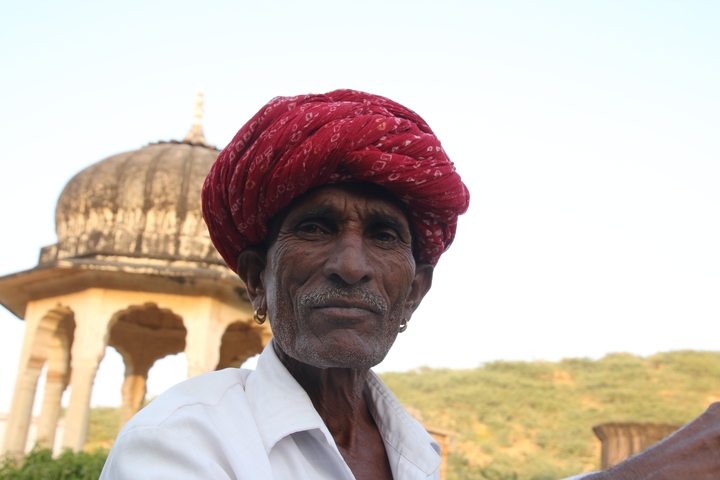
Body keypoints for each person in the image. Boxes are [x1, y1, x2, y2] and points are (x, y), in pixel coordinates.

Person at [100, 90, 720, 479]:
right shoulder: (181, 442)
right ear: (257, 281)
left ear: (415, 291)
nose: (352, 264)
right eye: (315, 228)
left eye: (384, 236)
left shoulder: (410, 446)